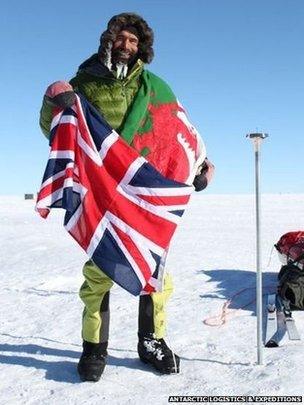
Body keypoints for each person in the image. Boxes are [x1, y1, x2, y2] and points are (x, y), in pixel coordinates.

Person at [39, 12, 214, 382]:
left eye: (134, 41)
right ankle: (94, 348)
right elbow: (57, 129)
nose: (126, 45)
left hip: (145, 194)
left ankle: (151, 341)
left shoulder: (155, 86)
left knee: (154, 271)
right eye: (121, 38)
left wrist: (200, 163)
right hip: (102, 192)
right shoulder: (84, 82)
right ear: (109, 39)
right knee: (100, 271)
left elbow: (176, 127)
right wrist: (53, 100)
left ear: (142, 48)